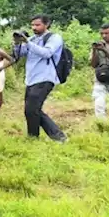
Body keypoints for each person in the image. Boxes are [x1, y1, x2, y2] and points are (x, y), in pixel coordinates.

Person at [17, 14, 67, 143]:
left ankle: (41, 137)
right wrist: (18, 43)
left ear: (47, 24)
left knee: (31, 109)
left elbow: (47, 53)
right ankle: (51, 137)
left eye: (37, 25)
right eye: (32, 25)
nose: (34, 28)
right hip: (31, 79)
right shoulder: (33, 39)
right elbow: (20, 54)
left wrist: (27, 42)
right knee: (32, 110)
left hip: (45, 77)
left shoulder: (54, 38)